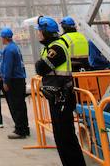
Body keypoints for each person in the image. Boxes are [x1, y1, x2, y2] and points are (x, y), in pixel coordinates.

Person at [33, 16, 86, 166]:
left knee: (66, 137)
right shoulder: (52, 47)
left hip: (62, 97)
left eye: (40, 31)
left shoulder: (56, 48)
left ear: (46, 32)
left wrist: (40, 65)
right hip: (58, 97)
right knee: (61, 136)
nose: (38, 34)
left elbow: (41, 68)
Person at [0, 27, 30, 139]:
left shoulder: (8, 49)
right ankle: (25, 128)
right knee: (21, 105)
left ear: (4, 38)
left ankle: (20, 130)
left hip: (14, 81)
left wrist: (6, 81)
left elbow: (8, 67)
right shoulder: (15, 47)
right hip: (20, 79)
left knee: (16, 105)